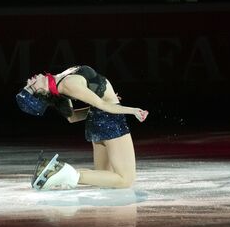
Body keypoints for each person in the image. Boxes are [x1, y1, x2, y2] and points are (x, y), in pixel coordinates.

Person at [16, 65, 148, 190]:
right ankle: (61, 173)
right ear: (42, 93)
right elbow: (102, 104)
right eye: (30, 87)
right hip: (111, 122)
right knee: (126, 180)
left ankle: (58, 172)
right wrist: (134, 110)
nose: (29, 81)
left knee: (104, 178)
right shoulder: (67, 85)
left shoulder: (58, 83)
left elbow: (72, 117)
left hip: (98, 121)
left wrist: (102, 105)